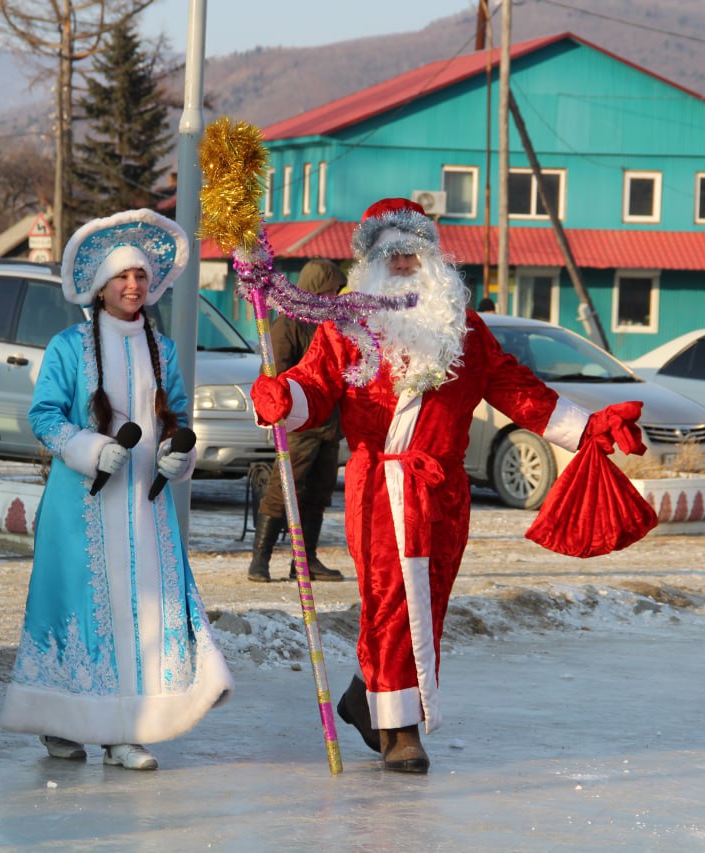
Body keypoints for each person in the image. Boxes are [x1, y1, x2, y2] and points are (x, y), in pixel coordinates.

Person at [250, 198, 639, 773]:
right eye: (391, 254)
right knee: (388, 603)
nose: (404, 263)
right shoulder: (347, 328)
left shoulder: (465, 330)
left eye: (413, 251)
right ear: (370, 263)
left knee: (425, 604)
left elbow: (518, 389)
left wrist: (587, 427)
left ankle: (367, 698)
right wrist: (286, 398)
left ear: (433, 258)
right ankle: (400, 730)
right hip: (379, 485)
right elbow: (314, 385)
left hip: (444, 493)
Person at [1, 209, 233, 770]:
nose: (133, 286)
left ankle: (126, 730)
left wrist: (179, 454)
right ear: (101, 286)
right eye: (122, 277)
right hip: (80, 507)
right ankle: (61, 724)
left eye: (141, 277)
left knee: (142, 616)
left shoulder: (163, 350)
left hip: (145, 510)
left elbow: (175, 417)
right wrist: (89, 448)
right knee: (76, 610)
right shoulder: (67, 346)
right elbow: (45, 416)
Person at [249, 259, 346, 583]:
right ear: (316, 288)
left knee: (319, 493)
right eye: (331, 290)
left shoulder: (336, 326)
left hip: (330, 425)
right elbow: (273, 373)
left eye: (337, 291)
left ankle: (305, 561)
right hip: (298, 423)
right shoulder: (289, 325)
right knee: (285, 489)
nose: (335, 297)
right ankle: (259, 561)